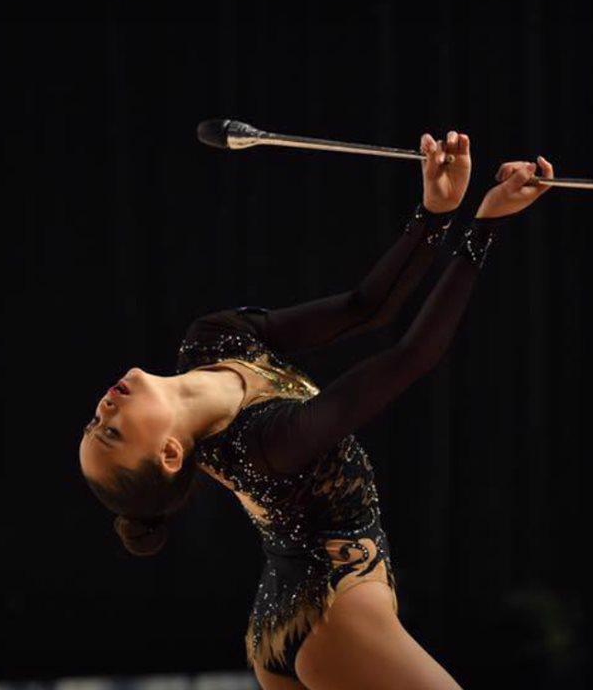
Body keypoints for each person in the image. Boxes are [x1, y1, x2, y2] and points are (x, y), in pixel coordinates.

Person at [79, 129, 555, 690]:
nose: (103, 410)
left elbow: (365, 308)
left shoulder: (209, 341)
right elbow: (411, 356)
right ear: (168, 454)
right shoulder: (263, 444)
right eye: (112, 433)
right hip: (331, 613)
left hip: (299, 608)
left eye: (94, 423)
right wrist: (485, 226)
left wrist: (435, 212)